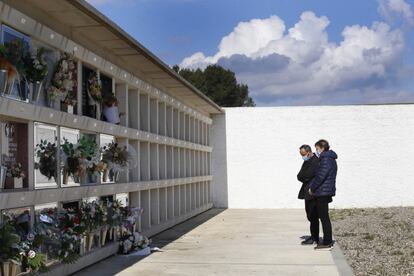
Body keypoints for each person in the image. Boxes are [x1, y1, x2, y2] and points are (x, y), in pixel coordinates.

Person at [309, 139, 338, 250]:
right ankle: (327, 240)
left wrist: (312, 188)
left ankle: (327, 241)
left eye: (317, 149)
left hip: (322, 192)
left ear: (322, 148)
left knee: (324, 217)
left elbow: (321, 176)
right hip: (324, 191)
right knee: (323, 216)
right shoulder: (328, 158)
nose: (316, 151)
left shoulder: (326, 159)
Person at [297, 145, 320, 245]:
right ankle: (313, 236)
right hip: (307, 192)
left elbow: (308, 175)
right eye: (301, 155)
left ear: (309, 152)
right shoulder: (307, 161)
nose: (303, 156)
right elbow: (300, 175)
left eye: (303, 154)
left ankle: (315, 238)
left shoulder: (315, 161)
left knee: (313, 215)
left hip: (312, 192)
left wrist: (305, 177)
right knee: (309, 215)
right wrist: (305, 177)